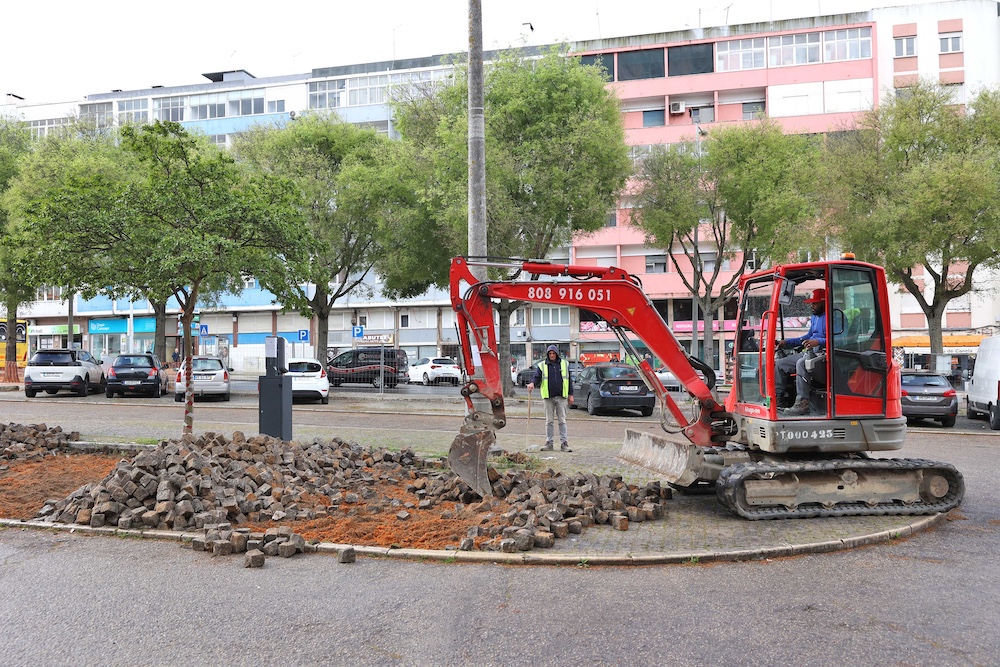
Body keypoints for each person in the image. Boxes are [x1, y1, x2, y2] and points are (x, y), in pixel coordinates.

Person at [776, 288, 827, 416]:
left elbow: (839, 339)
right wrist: (786, 342)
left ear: (825, 302)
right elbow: (807, 337)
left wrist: (818, 342)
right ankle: (778, 400)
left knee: (801, 363)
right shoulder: (815, 318)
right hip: (811, 352)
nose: (812, 306)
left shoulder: (834, 316)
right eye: (811, 303)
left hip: (825, 355)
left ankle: (803, 402)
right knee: (780, 364)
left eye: (815, 303)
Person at [526, 345, 574, 452]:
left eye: (553, 353)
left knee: (562, 420)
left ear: (557, 354)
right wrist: (532, 383)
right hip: (548, 397)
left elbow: (569, 380)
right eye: (550, 354)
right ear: (547, 354)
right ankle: (549, 443)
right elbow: (536, 377)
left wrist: (571, 394)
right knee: (549, 421)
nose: (552, 355)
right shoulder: (542, 365)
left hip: (562, 397)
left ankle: (564, 443)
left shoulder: (564, 364)